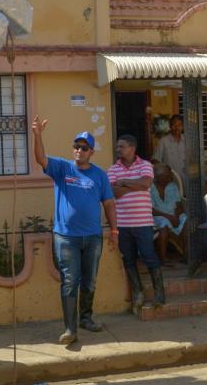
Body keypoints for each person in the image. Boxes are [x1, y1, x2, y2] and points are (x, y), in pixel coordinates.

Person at [32, 116, 117, 345]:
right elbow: (40, 158)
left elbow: (108, 203)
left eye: (84, 148)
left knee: (89, 280)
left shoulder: (99, 175)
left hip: (93, 237)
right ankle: (70, 329)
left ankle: (86, 318)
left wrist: (115, 231)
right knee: (70, 281)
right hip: (66, 238)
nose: (79, 150)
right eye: (76, 146)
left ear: (91, 152)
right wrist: (37, 135)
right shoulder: (62, 167)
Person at [107, 134, 165, 315]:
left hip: (143, 222)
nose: (118, 149)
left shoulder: (146, 165)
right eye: (118, 146)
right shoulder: (112, 169)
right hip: (122, 224)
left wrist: (124, 182)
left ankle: (159, 293)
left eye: (121, 146)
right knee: (129, 260)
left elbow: (146, 182)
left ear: (132, 148)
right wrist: (134, 185)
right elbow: (113, 192)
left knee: (149, 256)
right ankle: (138, 293)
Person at [151, 163, 187, 267]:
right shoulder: (149, 188)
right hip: (157, 216)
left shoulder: (172, 186)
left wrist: (176, 216)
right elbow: (151, 210)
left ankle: (186, 255)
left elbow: (179, 205)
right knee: (163, 223)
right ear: (157, 178)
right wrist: (170, 217)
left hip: (173, 215)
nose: (171, 177)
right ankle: (162, 258)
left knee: (185, 219)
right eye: (167, 176)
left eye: (170, 175)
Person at [152, 114, 186, 184]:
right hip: (170, 181)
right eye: (174, 125)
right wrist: (165, 172)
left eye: (179, 125)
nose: (177, 128)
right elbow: (155, 160)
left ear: (182, 127)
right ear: (170, 126)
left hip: (186, 181)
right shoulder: (163, 141)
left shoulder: (187, 140)